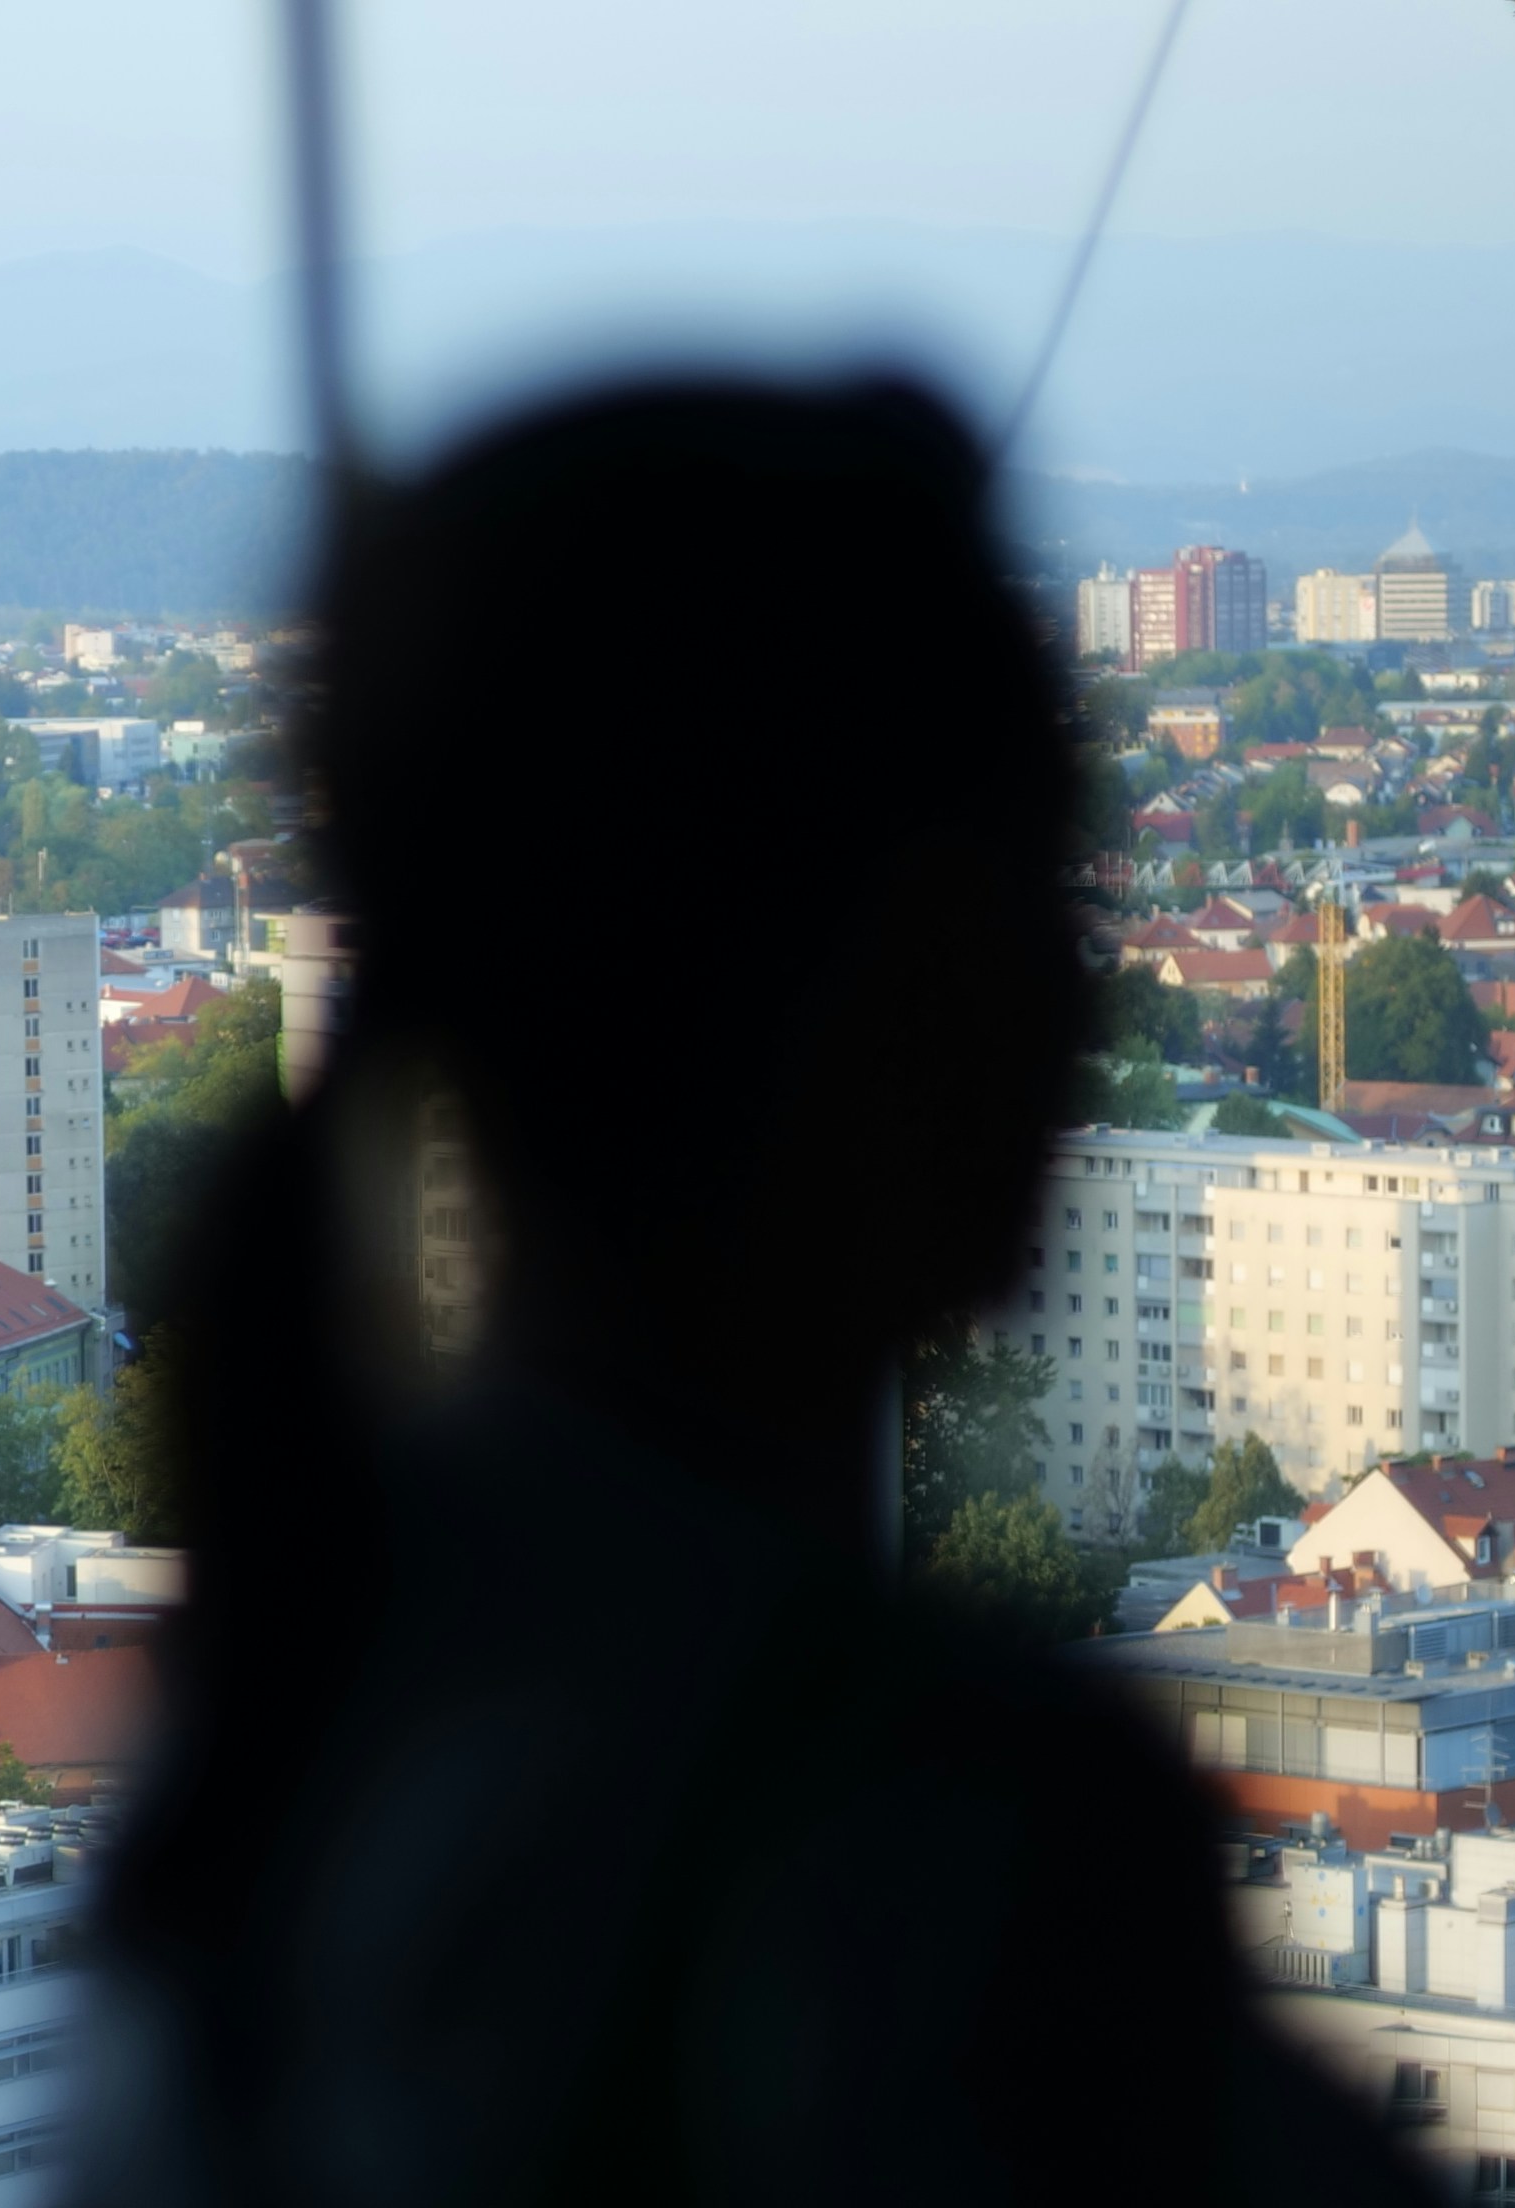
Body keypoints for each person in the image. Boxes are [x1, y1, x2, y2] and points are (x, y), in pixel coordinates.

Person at [83, 379, 1422, 2208]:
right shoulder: (937, 1838)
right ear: (898, 996)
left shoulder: (291, 1729)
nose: (1081, 999)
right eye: (1043, 899)